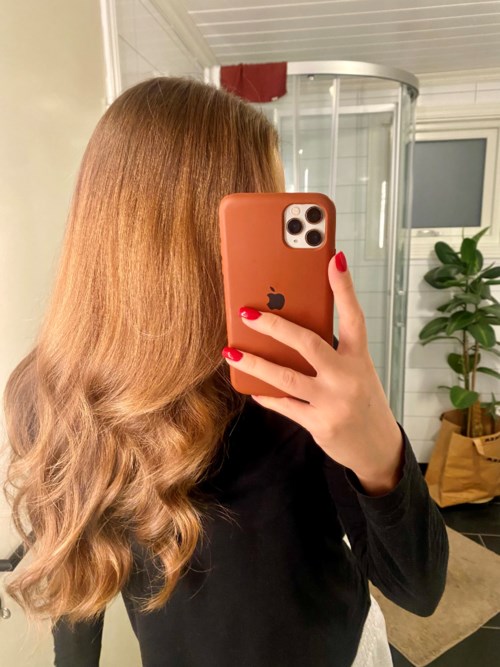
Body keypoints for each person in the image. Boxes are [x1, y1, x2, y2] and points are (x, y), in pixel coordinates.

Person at [3, 76, 449, 667]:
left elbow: (418, 590)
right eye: (263, 203)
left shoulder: (294, 375)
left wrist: (379, 452)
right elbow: (74, 575)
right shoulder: (54, 391)